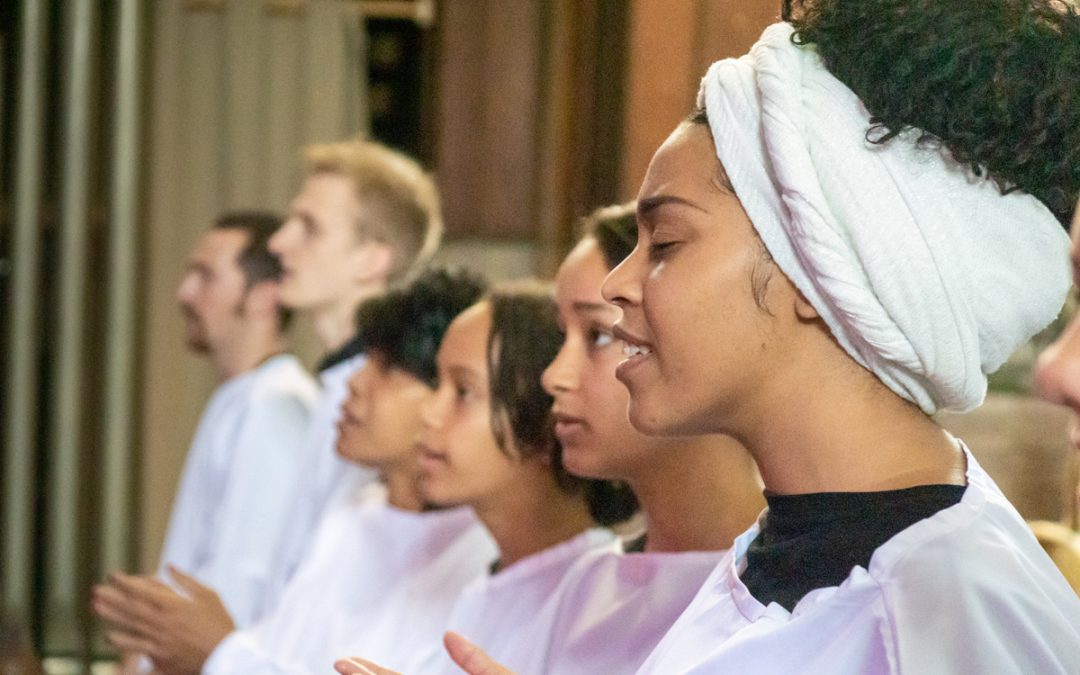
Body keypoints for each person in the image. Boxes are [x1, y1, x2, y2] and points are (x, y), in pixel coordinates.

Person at [597, 1, 1080, 672]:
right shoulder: (796, 544)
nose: (615, 285)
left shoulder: (953, 618)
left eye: (667, 242)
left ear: (818, 269)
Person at [93, 268, 495, 675]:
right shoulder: (354, 511)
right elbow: (287, 642)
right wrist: (186, 641)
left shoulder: (479, 556)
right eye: (366, 361)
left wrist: (220, 652)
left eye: (387, 368)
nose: (355, 382)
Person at [263, 138, 444, 608]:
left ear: (372, 259)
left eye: (309, 227)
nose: (279, 243)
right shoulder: (332, 389)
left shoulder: (384, 413)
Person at [157, 211, 318, 627]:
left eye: (205, 276)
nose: (184, 292)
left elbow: (241, 586)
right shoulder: (246, 396)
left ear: (264, 296)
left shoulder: (277, 405)